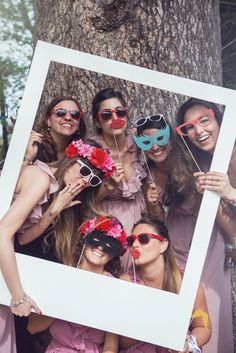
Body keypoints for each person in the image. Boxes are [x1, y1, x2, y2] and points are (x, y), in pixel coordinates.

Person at [133, 108, 235, 353]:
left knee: (210, 302)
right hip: (172, 242)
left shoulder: (193, 160)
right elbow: (158, 220)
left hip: (206, 239)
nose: (155, 147)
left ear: (171, 137)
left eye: (160, 139)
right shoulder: (148, 173)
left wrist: (206, 195)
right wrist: (154, 206)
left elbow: (220, 212)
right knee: (177, 305)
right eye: (147, 142)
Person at [0, 139, 116, 353]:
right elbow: (2, 235)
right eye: (83, 170)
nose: (84, 181)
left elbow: (23, 239)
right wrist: (18, 298)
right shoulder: (41, 178)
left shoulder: (63, 198)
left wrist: (53, 211)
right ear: (70, 160)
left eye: (92, 179)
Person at [27, 216, 127, 353]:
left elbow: (110, 347)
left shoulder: (114, 288)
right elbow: (33, 327)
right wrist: (66, 298)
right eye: (96, 239)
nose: (100, 247)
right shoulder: (62, 276)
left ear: (114, 255)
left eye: (109, 245)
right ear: (85, 239)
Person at [120, 218, 211, 353]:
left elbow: (203, 327)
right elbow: (123, 343)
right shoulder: (125, 283)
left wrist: (188, 343)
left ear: (163, 245)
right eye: (131, 240)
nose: (134, 245)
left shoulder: (187, 284)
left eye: (144, 239)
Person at [91, 88, 147, 270]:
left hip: (139, 221)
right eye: (106, 115)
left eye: (120, 112)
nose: (115, 118)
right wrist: (110, 185)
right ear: (97, 122)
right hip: (106, 222)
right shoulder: (91, 151)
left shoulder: (140, 143)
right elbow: (85, 201)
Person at [23, 95, 86, 165]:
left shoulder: (82, 153)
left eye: (75, 114)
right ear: (49, 121)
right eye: (61, 112)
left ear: (79, 124)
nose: (68, 118)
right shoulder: (33, 145)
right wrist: (28, 157)